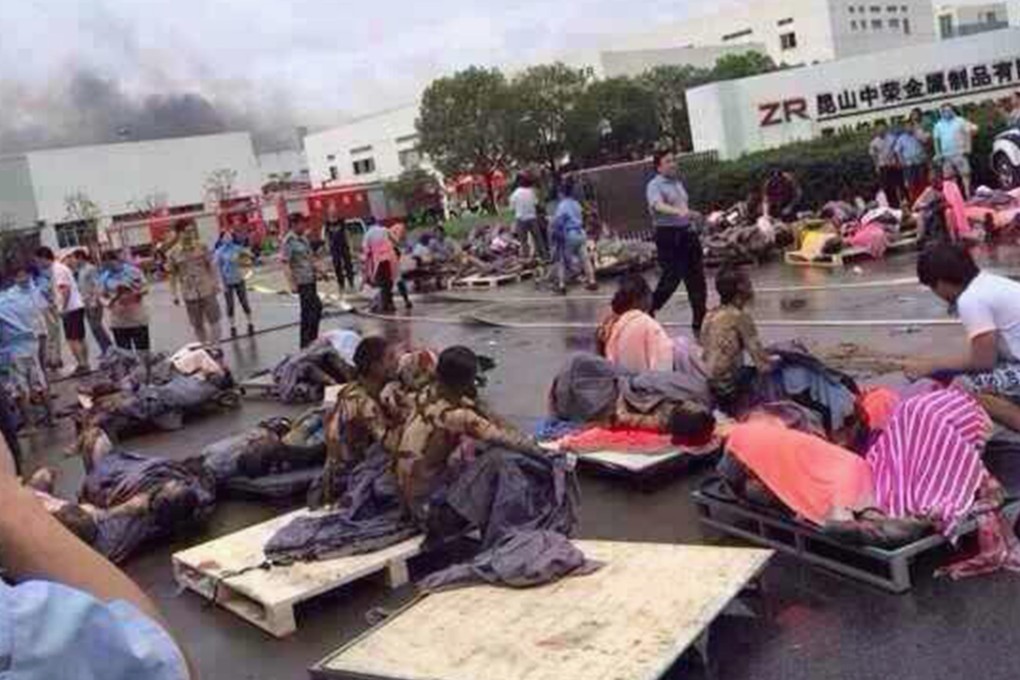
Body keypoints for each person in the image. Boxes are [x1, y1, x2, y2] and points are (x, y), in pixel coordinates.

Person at [0, 436, 191, 680]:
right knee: (173, 495)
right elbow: (163, 667)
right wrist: (9, 501)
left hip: (88, 512)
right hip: (85, 526)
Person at [396, 345, 544, 516]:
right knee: (496, 457)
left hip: (406, 492)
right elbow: (504, 438)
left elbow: (485, 415)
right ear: (466, 383)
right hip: (426, 502)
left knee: (468, 446)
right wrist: (542, 451)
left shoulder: (425, 394)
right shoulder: (459, 417)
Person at [908, 244, 1020, 431]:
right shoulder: (988, 282)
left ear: (941, 282)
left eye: (933, 287)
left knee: (962, 387)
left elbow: (984, 360)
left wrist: (934, 365)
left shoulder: (971, 299)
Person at [319, 336, 404, 506]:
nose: (397, 362)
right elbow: (390, 445)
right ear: (374, 367)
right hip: (347, 475)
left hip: (348, 462)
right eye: (390, 358)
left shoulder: (362, 388)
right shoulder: (363, 402)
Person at [646, 150, 707, 333]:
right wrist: (677, 211)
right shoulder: (654, 185)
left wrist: (692, 215)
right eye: (668, 161)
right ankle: (649, 309)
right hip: (668, 235)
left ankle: (700, 319)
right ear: (659, 166)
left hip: (687, 233)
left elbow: (684, 208)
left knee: (696, 278)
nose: (673, 164)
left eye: (674, 160)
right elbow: (657, 205)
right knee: (671, 278)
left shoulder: (678, 184)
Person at [700, 266, 775, 414]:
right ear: (741, 288)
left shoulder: (710, 314)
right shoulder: (740, 317)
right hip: (727, 387)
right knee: (775, 375)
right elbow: (762, 363)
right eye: (749, 283)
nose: (752, 287)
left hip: (708, 383)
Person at [0, 266, 53, 430]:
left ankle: (30, 426)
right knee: (39, 382)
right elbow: (39, 318)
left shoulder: (2, 303)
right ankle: (51, 418)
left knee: (20, 389)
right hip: (31, 344)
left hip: (13, 350)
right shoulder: (22, 297)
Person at [596, 273, 674, 373]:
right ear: (646, 298)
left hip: (619, 384)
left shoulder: (609, 326)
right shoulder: (648, 325)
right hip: (645, 384)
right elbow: (663, 368)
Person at [168, 219, 222, 346]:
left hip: (207, 290)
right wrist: (174, 294)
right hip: (189, 293)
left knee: (214, 320)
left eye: (192, 231)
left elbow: (211, 266)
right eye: (187, 231)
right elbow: (172, 276)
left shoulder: (202, 246)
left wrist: (216, 283)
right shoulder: (173, 253)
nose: (190, 234)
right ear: (179, 233)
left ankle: (216, 346)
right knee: (197, 324)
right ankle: (205, 347)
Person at [35, 247, 89, 375]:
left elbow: (65, 289)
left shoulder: (57, 269)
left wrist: (62, 308)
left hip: (70, 308)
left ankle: (82, 365)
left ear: (44, 258)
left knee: (72, 339)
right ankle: (85, 363)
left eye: (38, 260)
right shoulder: (59, 268)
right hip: (76, 306)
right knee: (80, 338)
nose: (38, 263)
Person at [281, 212, 322, 348]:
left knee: (314, 310)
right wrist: (291, 283)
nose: (304, 225)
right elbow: (285, 263)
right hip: (302, 282)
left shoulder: (303, 239)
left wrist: (321, 271)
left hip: (310, 279)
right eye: (301, 223)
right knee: (309, 312)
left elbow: (309, 258)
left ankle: (311, 341)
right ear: (294, 224)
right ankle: (306, 344)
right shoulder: (289, 241)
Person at [549, 179, 597, 295]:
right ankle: (592, 281)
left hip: (569, 234)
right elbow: (582, 218)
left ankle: (562, 285)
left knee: (561, 260)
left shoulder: (562, 205)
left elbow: (559, 222)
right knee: (585, 259)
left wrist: (555, 232)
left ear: (562, 193)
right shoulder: (576, 204)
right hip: (580, 233)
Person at [98, 249, 151, 353]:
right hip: (118, 321)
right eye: (106, 265)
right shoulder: (104, 277)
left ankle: (146, 368)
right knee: (125, 354)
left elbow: (145, 287)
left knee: (143, 352)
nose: (109, 268)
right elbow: (101, 296)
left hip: (137, 318)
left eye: (110, 264)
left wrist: (136, 293)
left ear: (116, 260)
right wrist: (111, 300)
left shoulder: (133, 271)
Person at [214, 228, 255, 338]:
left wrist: (248, 253)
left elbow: (250, 257)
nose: (228, 238)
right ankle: (232, 326)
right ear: (221, 239)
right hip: (227, 281)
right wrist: (222, 284)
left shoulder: (237, 248)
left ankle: (250, 322)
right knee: (230, 305)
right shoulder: (219, 252)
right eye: (225, 236)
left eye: (230, 236)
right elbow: (218, 269)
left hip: (239, 279)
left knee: (244, 302)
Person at [933, 104, 978, 198]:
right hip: (946, 156)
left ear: (952, 110)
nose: (947, 113)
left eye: (949, 110)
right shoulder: (938, 125)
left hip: (960, 153)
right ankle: (956, 198)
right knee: (951, 179)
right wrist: (938, 154)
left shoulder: (960, 121)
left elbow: (973, 129)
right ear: (941, 113)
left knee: (965, 175)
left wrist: (968, 145)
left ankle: (968, 196)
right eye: (944, 111)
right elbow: (936, 140)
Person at [74, 249, 113, 355]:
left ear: (81, 257)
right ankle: (104, 349)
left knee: (97, 326)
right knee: (94, 328)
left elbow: (97, 285)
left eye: (75, 258)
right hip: (85, 302)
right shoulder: (80, 270)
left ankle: (109, 348)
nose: (74, 261)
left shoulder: (90, 269)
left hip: (93, 302)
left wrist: (94, 301)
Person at [509, 173, 547, 261]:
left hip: (521, 219)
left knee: (524, 241)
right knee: (538, 239)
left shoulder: (514, 194)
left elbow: (512, 209)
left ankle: (526, 258)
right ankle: (544, 256)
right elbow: (536, 204)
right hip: (532, 218)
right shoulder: (531, 192)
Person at [868, 121, 903, 208]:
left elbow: (897, 151)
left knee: (899, 186)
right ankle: (892, 206)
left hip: (894, 166)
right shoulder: (874, 143)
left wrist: (899, 162)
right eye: (879, 128)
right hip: (883, 167)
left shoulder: (892, 138)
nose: (881, 130)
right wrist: (876, 167)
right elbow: (874, 156)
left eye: (882, 128)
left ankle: (903, 203)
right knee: (887, 188)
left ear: (886, 128)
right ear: (876, 130)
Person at [893, 120, 929, 203]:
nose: (908, 128)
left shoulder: (918, 135)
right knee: (911, 184)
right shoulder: (901, 138)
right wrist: (902, 161)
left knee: (922, 182)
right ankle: (914, 201)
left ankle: (924, 200)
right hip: (909, 165)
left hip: (920, 162)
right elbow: (897, 151)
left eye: (910, 126)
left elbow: (926, 143)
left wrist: (919, 135)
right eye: (906, 126)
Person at [325, 204, 356, 295]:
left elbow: (347, 234)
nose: (333, 213)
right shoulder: (327, 223)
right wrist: (327, 247)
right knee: (337, 267)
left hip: (344, 246)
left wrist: (351, 247)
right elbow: (326, 236)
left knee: (348, 266)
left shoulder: (342, 221)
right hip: (334, 249)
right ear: (328, 213)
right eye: (331, 211)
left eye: (334, 211)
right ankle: (341, 286)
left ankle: (351, 284)